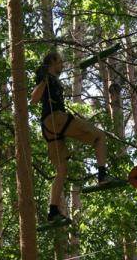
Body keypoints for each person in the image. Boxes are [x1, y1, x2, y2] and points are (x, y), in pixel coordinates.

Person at [30, 51, 114, 224]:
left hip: (49, 127)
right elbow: (33, 99)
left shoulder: (51, 79)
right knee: (99, 136)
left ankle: (53, 212)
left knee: (62, 171)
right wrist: (44, 80)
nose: (62, 65)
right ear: (52, 61)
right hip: (55, 119)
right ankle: (102, 175)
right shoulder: (46, 77)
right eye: (60, 61)